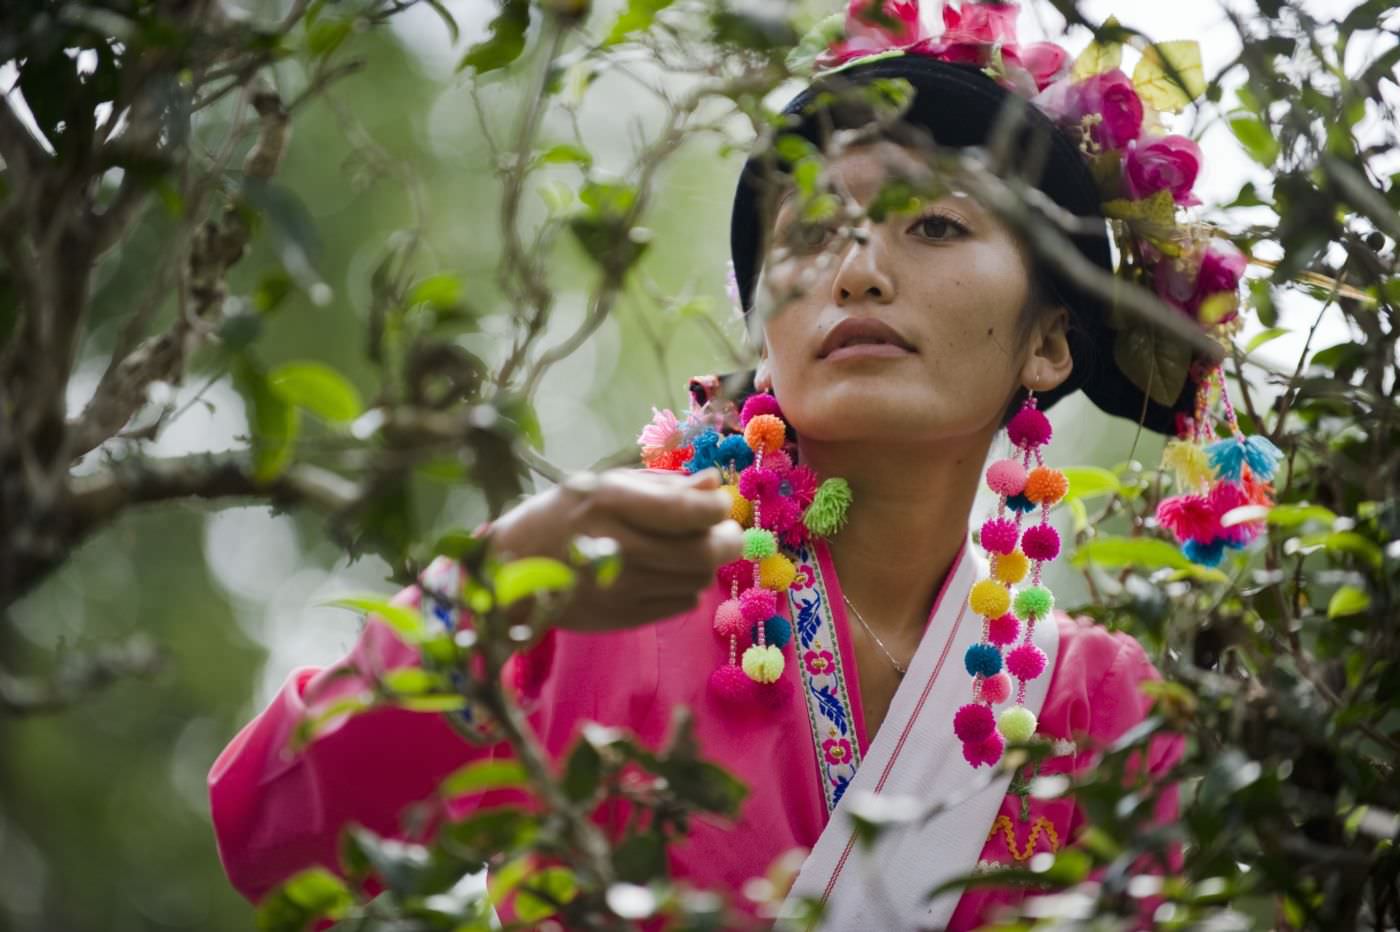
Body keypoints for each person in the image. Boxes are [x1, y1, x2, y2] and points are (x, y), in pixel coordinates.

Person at [210, 1, 1264, 927]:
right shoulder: (599, 586)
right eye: (808, 235)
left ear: (1049, 340)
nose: (855, 269)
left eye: (934, 224)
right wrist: (497, 593)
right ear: (767, 329)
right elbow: (271, 827)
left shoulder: (1105, 706)